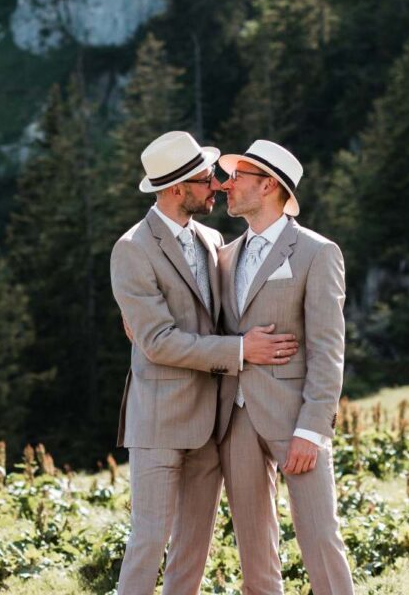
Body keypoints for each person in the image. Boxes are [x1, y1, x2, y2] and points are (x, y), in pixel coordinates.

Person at [110, 131, 299, 595]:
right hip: (158, 419)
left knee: (192, 550)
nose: (217, 184)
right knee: (149, 542)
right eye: (205, 178)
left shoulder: (213, 239)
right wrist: (239, 352)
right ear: (177, 189)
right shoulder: (132, 248)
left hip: (212, 423)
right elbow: (157, 340)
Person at [214, 139, 355, 595]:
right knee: (254, 548)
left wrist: (312, 429)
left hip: (296, 419)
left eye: (238, 178)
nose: (226, 185)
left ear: (269, 185)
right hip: (235, 417)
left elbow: (328, 347)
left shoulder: (318, 252)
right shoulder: (225, 255)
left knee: (319, 537)